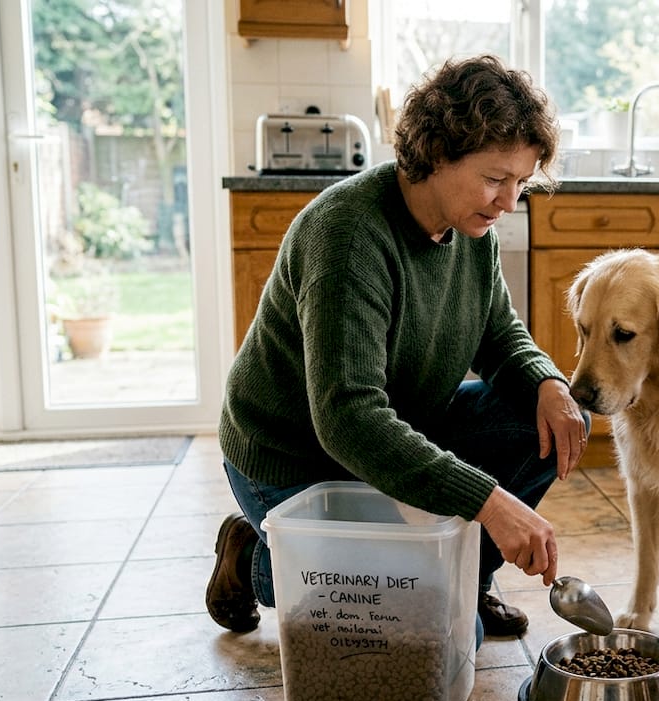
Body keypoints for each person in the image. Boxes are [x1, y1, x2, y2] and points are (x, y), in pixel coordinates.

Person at [205, 54, 588, 645]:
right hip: (295, 457)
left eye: (521, 182)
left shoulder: (471, 225)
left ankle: (466, 577)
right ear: (437, 154)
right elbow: (349, 419)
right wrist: (488, 501)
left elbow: (499, 333)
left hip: (397, 427)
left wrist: (548, 384)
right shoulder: (348, 235)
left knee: (540, 417)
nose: (509, 202)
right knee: (393, 603)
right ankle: (255, 557)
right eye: (495, 178)